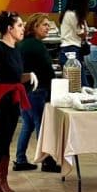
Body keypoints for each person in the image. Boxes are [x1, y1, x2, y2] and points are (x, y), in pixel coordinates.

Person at [0, 11, 37, 192]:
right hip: (1, 102)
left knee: (6, 142)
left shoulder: (15, 49)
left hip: (13, 101)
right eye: (20, 25)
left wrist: (28, 76)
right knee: (1, 143)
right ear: (9, 29)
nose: (23, 29)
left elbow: (11, 76)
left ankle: (1, 182)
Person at [13, 13, 60, 173]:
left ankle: (20, 159)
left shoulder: (21, 44)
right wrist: (55, 88)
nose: (48, 28)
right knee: (41, 125)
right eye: (44, 25)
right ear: (35, 27)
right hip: (37, 91)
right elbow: (47, 71)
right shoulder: (37, 46)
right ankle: (47, 161)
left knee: (28, 124)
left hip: (24, 90)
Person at [59, 0, 90, 83]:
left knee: (75, 82)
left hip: (69, 49)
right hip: (71, 50)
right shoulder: (73, 14)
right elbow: (81, 33)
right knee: (80, 82)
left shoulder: (68, 13)